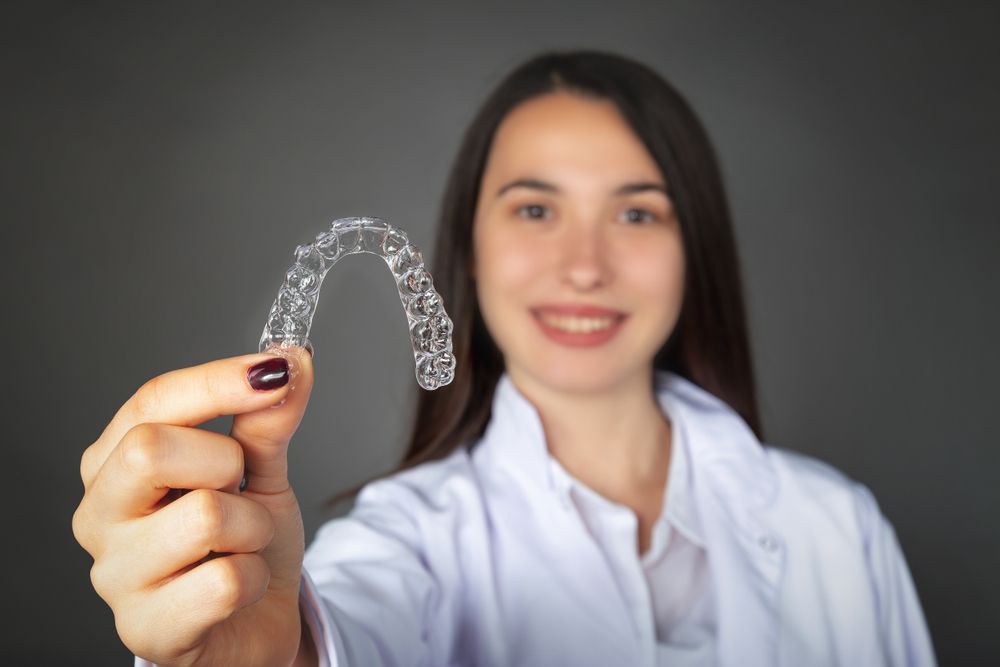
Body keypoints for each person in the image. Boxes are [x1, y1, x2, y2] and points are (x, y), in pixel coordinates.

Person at [72, 50, 937, 667]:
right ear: (470, 246)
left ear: (693, 249)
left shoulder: (840, 529)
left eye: (637, 213)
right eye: (534, 210)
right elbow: (350, 628)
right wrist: (278, 657)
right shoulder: (403, 542)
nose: (585, 264)